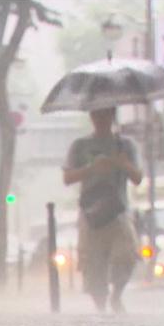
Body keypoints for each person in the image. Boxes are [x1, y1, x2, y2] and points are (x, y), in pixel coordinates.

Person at [63, 107, 143, 313]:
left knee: (126, 254)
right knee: (92, 262)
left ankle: (117, 295)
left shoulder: (125, 145)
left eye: (105, 114)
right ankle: (100, 305)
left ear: (112, 115)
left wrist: (121, 163)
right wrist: (92, 168)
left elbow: (137, 178)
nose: (100, 119)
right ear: (91, 116)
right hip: (90, 212)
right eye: (96, 114)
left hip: (118, 211)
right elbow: (68, 178)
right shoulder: (80, 146)